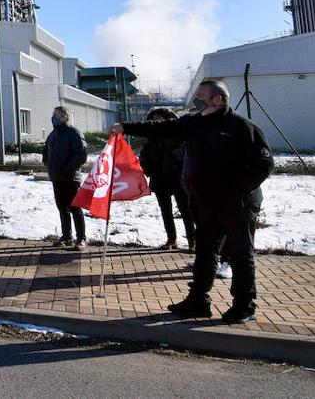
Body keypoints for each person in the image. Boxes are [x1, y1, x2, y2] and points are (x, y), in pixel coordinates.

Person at [115, 79, 274, 324]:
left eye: (200, 96)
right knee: (205, 252)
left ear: (218, 99)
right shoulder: (194, 124)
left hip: (238, 205)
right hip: (206, 203)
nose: (196, 100)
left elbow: (264, 165)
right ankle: (198, 300)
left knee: (241, 255)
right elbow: (161, 129)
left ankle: (244, 305)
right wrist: (125, 127)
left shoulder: (242, 127)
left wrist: (238, 190)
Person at [137, 107, 195, 251]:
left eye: (160, 119)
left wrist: (183, 172)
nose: (158, 122)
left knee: (186, 210)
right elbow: (143, 157)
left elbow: (186, 157)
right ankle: (171, 239)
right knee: (165, 211)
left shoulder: (179, 136)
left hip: (178, 179)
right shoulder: (151, 140)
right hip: (159, 178)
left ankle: (193, 240)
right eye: (155, 120)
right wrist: (149, 171)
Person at [43, 106, 87, 251]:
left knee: (75, 207)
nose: (53, 117)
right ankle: (66, 236)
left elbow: (81, 155)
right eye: (53, 114)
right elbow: (46, 152)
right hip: (56, 177)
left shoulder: (73, 133)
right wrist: (49, 165)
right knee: (62, 208)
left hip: (70, 178)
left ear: (64, 117)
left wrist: (67, 169)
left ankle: (81, 239)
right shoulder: (52, 135)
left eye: (57, 115)